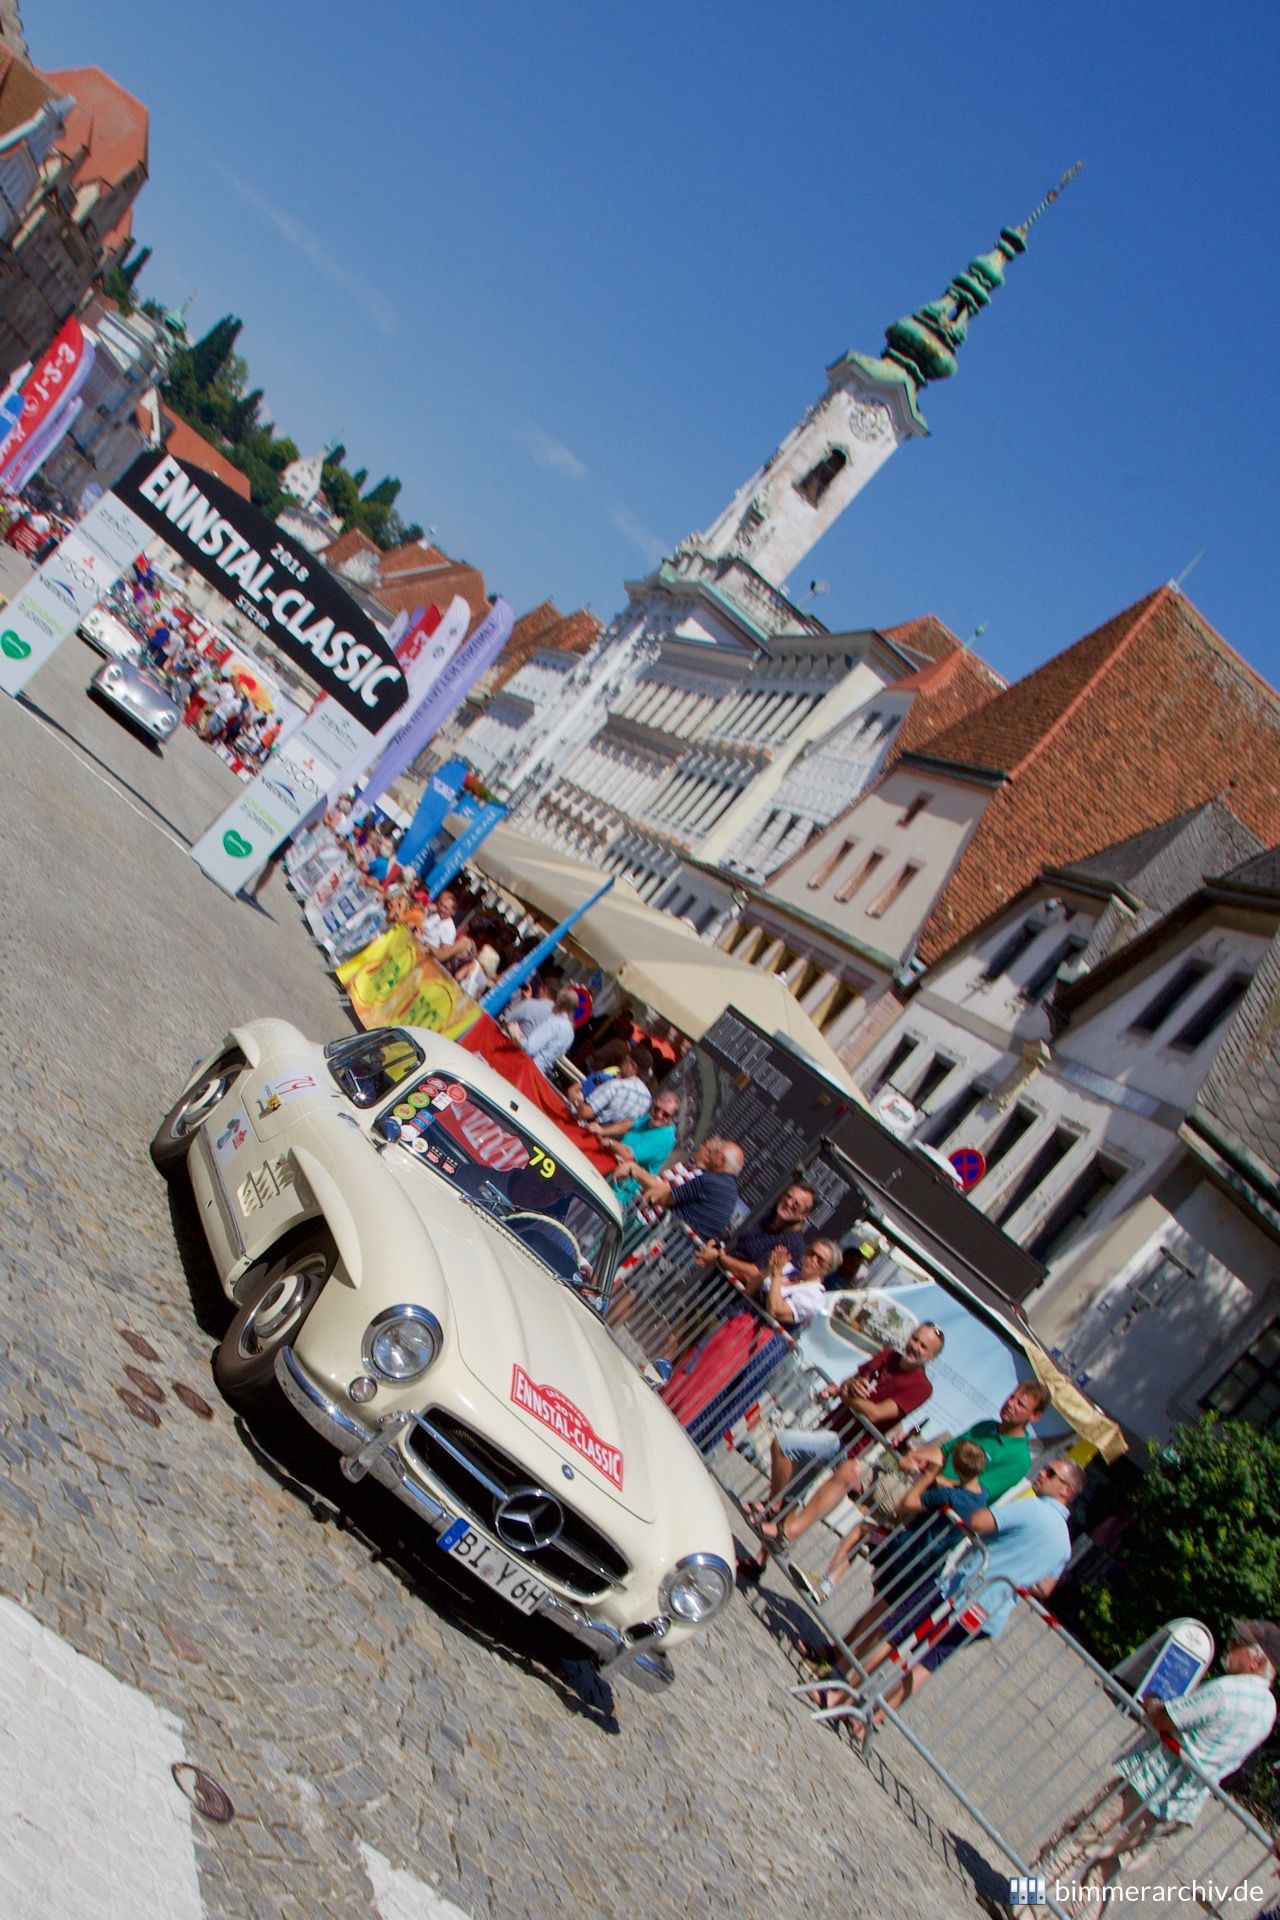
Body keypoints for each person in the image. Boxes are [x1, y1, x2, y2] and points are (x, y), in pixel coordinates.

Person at [828, 1456, 1085, 1732]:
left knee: (896, 1636)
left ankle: (839, 1696)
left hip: (960, 1591)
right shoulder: (1064, 1545)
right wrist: (1016, 1570)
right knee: (927, 1663)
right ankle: (870, 1720)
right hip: (989, 1613)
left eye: (1051, 1472)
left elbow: (979, 1520)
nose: (1042, 1473)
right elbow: (1044, 1587)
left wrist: (998, 1554)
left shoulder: (1033, 1509)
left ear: (1066, 1490)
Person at [1041, 1636, 1276, 1893]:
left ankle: (1023, 1905)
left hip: (1149, 1784)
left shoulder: (1227, 1691)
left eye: (1237, 1643)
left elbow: (1166, 1718)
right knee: (1108, 1868)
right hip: (1183, 1805)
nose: (1229, 1646)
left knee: (1076, 1841)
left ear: (1257, 1659)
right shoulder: (1268, 1710)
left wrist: (1152, 1702)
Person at [660, 1239, 842, 1446]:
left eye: (820, 1260)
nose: (812, 1260)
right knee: (699, 1365)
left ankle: (686, 1434)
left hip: (760, 1343)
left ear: (827, 1269)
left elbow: (776, 1309)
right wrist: (768, 1271)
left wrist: (775, 1275)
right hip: (739, 1324)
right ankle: (668, 1405)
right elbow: (751, 1289)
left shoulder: (813, 1296)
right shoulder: (789, 1271)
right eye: (812, 1253)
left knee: (716, 1387)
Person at [898, 1379, 1053, 1504]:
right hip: (921, 1492)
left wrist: (934, 1479)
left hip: (938, 1517)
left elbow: (976, 1494)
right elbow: (943, 1451)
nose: (1011, 1404)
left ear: (1034, 1417)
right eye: (1012, 1397)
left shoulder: (1019, 1459)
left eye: (1021, 1405)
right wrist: (913, 1457)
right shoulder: (985, 1426)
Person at [692, 1180, 816, 1293]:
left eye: (796, 1204)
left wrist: (719, 1257)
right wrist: (716, 1246)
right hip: (706, 1284)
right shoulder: (767, 1216)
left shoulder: (792, 1245)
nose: (788, 1203)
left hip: (727, 1303)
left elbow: (753, 1274)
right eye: (788, 1196)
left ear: (804, 1215)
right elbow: (737, 1238)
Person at [622, 1135, 745, 1244]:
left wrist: (635, 1171)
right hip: (673, 1242)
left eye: (715, 1151)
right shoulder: (729, 1191)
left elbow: (666, 1197)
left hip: (658, 1236)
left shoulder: (708, 1180)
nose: (701, 1147)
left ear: (721, 1160)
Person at [570, 1049, 654, 1137]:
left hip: (587, 1133)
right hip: (608, 1143)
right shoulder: (647, 1099)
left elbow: (585, 1112)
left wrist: (574, 1098)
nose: (622, 1063)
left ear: (633, 1067)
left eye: (625, 1060)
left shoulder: (616, 1085)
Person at [521, 987, 581, 1076]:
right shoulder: (570, 1032)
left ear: (558, 1003)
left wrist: (516, 1036)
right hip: (541, 1073)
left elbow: (530, 1048)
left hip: (528, 1069)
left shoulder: (554, 1023)